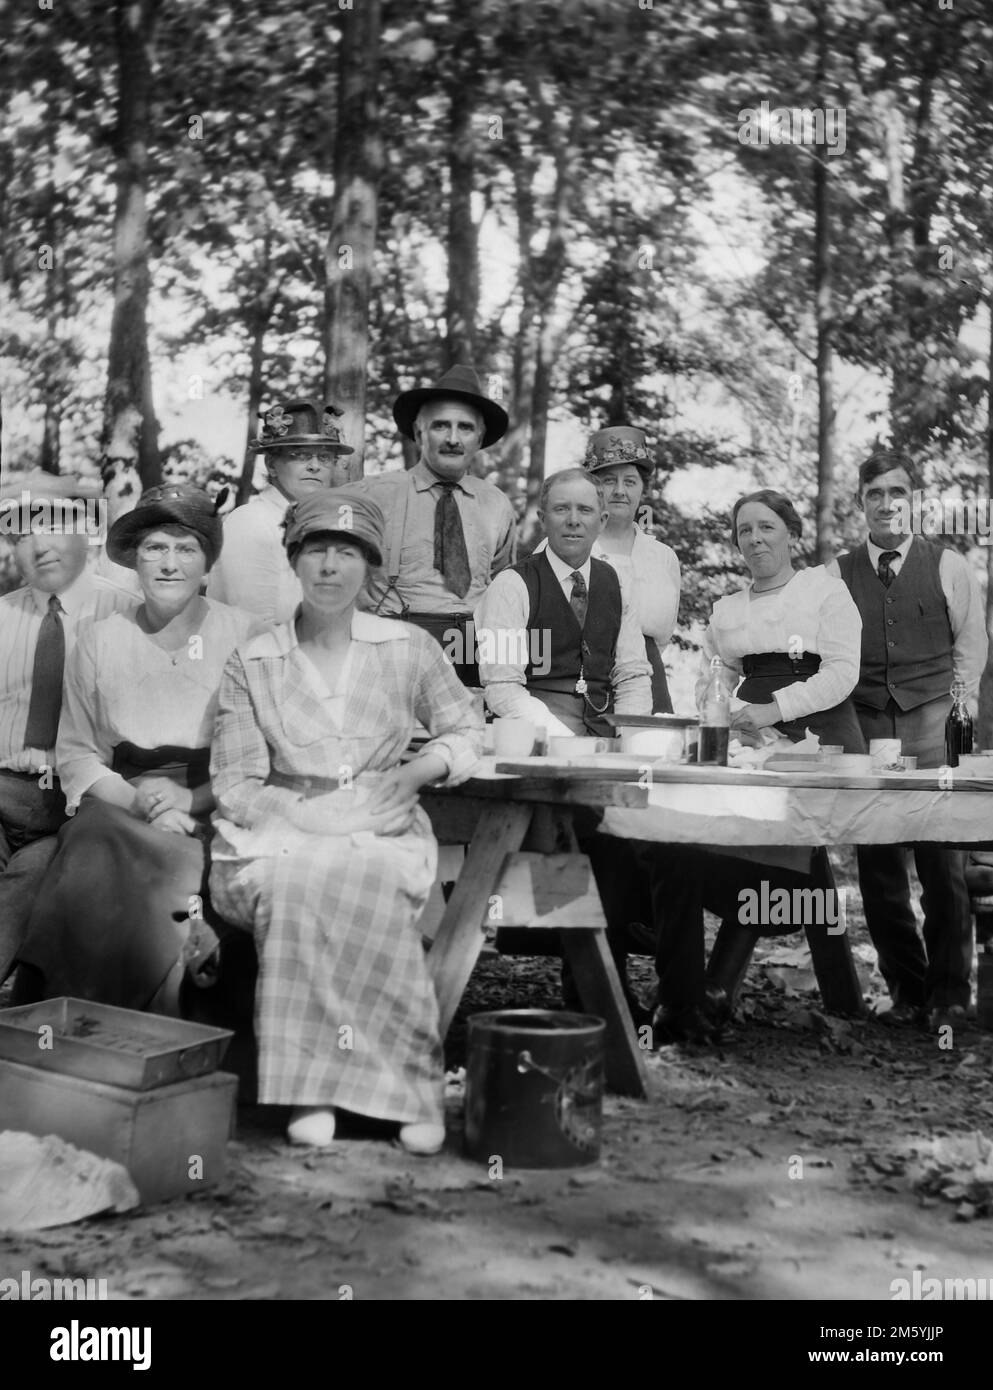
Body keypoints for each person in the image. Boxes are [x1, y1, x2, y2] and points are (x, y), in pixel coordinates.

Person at [208, 487, 483, 1155]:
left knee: (367, 875)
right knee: (300, 884)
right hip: (276, 832)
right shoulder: (256, 657)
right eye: (315, 553)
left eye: (346, 554)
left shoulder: (407, 647)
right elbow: (236, 783)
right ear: (294, 562)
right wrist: (307, 814)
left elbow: (467, 731)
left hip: (382, 822)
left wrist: (416, 773)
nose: (329, 568)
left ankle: (406, 1093)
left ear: (369, 567)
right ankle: (312, 1088)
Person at [13, 485, 257, 1013]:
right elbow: (77, 752)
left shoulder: (248, 635)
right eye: (155, 548)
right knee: (93, 844)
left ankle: (165, 1022)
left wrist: (192, 803)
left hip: (220, 799)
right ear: (135, 561)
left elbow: (267, 749)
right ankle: (75, 1022)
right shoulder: (101, 639)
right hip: (124, 802)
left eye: (186, 549)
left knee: (199, 873)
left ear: (208, 564)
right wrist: (140, 804)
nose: (170, 564)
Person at [650, 488, 866, 1042]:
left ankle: (719, 986)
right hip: (752, 735)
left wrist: (778, 708)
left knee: (789, 842)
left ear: (790, 532)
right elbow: (716, 675)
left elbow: (842, 673)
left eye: (767, 527)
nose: (755, 539)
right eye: (745, 530)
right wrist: (723, 712)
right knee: (774, 846)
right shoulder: (730, 609)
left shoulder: (825, 591)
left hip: (820, 729)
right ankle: (841, 995)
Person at [828, 450, 987, 1032]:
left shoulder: (949, 566)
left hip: (935, 723)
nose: (887, 503)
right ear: (861, 503)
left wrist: (958, 721)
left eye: (897, 492)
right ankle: (907, 990)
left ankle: (949, 993)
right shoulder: (835, 574)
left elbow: (971, 648)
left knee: (942, 864)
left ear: (913, 500)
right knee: (878, 865)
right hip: (869, 727)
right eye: (875, 494)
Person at [0, 471, 138, 987]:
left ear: (87, 531)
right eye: (21, 534)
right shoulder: (1, 616)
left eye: (52, 527)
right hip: (3, 789)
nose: (38, 546)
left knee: (29, 878)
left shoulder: (127, 615)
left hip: (74, 804)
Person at [361, 365, 516, 685]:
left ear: (479, 438)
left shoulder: (495, 503)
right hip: (397, 643)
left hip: (474, 650)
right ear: (419, 433)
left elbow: (504, 589)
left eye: (465, 428)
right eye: (441, 426)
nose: (453, 439)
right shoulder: (375, 494)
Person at [474, 467, 652, 736]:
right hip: (533, 741)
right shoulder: (510, 586)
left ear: (602, 521)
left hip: (605, 742)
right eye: (561, 509)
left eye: (585, 510)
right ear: (543, 519)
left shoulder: (616, 583)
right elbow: (502, 688)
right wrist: (563, 741)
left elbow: (632, 675)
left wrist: (628, 738)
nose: (573, 520)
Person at [540, 426, 680, 712]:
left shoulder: (662, 556)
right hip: (577, 678)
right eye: (607, 481)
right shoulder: (559, 545)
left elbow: (662, 636)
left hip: (647, 679)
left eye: (630, 481)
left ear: (643, 488)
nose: (619, 491)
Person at [207, 399, 353, 622]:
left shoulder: (323, 525)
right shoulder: (250, 521)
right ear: (272, 465)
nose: (315, 466)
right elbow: (254, 624)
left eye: (324, 457)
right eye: (302, 455)